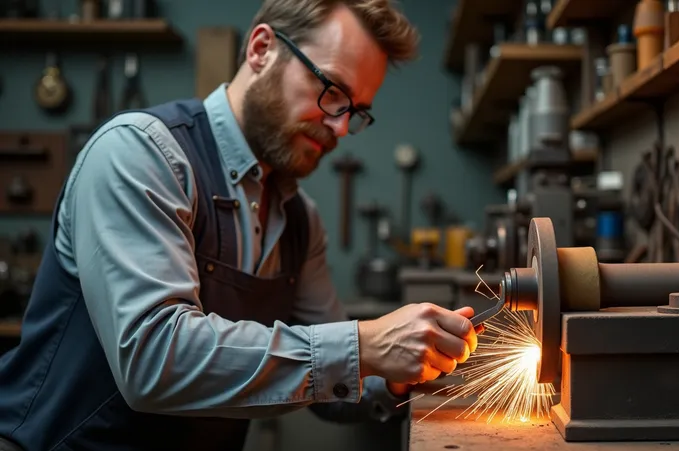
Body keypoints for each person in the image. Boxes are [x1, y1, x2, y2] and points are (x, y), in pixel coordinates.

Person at [0, 1, 482, 450]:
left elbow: (334, 380)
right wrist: (364, 344)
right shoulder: (140, 155)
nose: (338, 128)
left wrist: (394, 372)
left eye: (354, 112)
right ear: (261, 50)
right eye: (332, 92)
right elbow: (153, 362)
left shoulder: (299, 221)